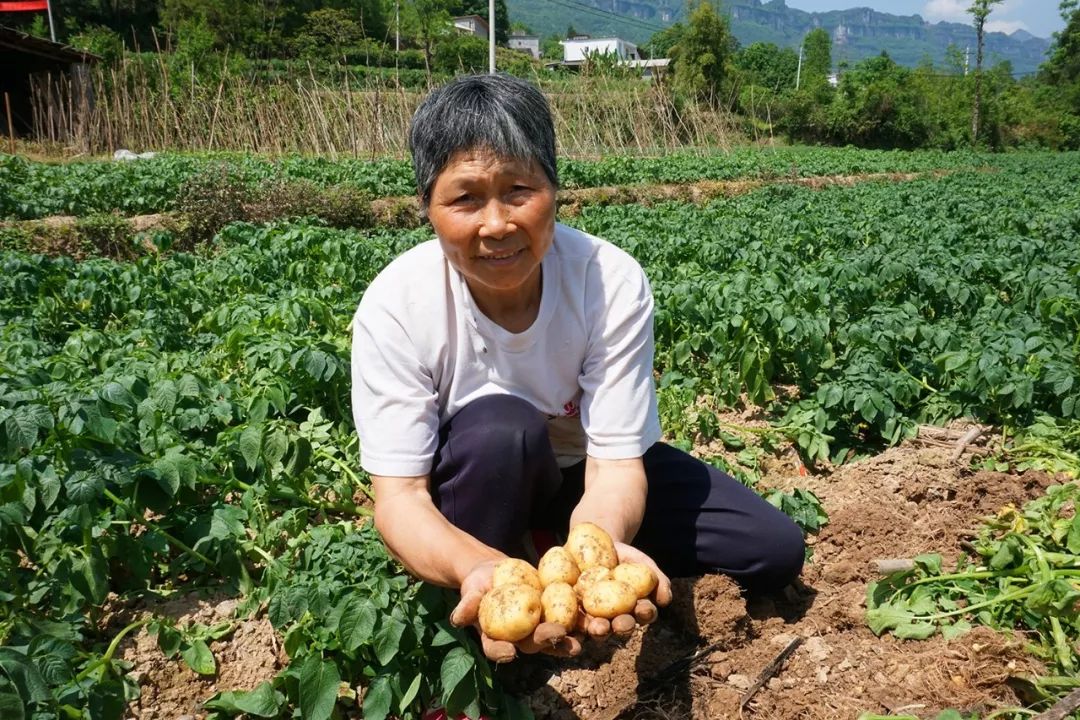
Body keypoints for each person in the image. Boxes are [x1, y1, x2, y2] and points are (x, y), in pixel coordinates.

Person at [350, 73, 805, 663]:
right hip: (481, 484)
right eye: (465, 198)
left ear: (555, 190)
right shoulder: (398, 305)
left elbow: (616, 462)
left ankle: (548, 543)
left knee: (772, 548)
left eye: (519, 189)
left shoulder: (607, 281)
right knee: (500, 427)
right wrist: (480, 569)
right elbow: (401, 499)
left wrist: (600, 545)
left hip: (584, 474)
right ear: (427, 208)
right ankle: (488, 616)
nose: (496, 224)